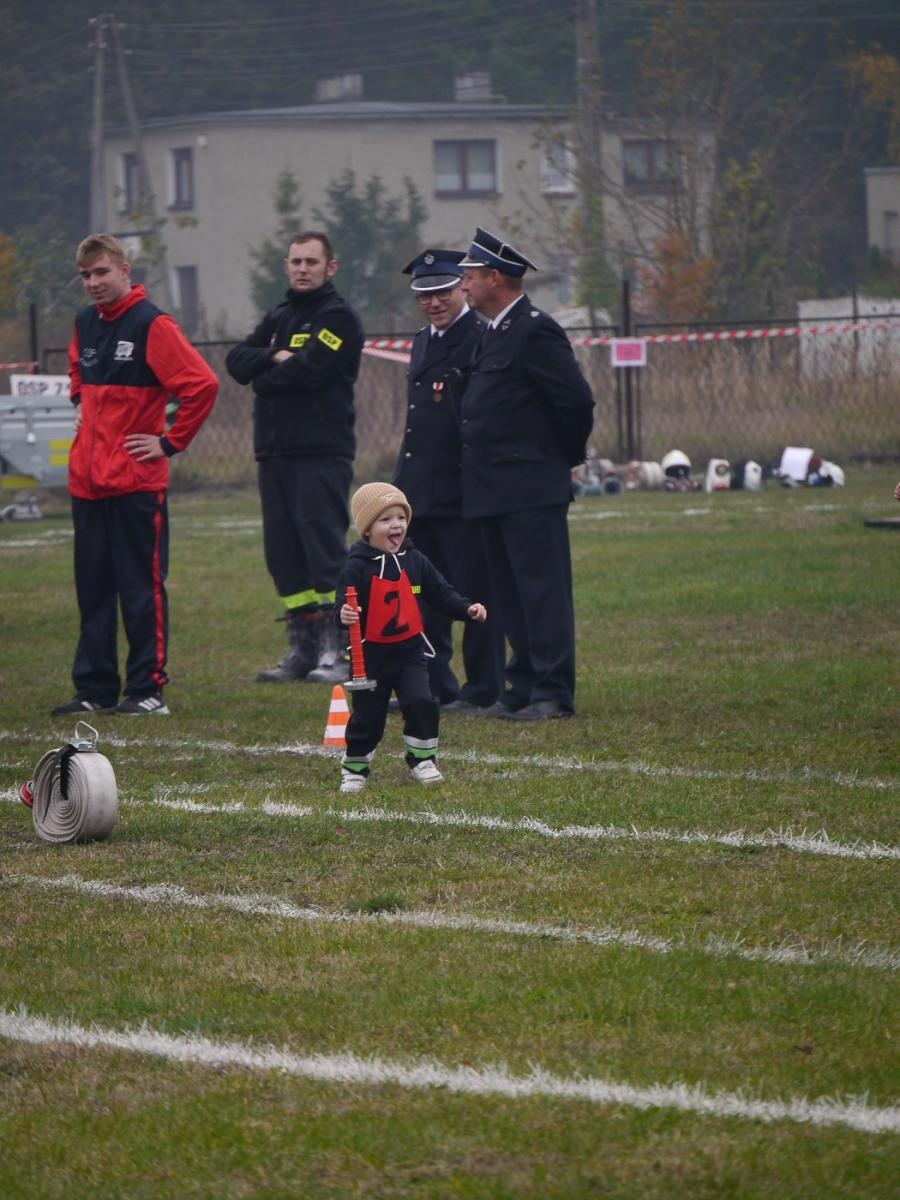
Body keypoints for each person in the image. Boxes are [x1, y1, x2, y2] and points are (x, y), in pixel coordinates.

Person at [52, 233, 218, 717]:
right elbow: (76, 372)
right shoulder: (85, 322)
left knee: (140, 590)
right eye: (85, 275)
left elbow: (201, 385)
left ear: (125, 271)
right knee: (94, 593)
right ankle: (95, 689)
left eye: (102, 272)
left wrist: (168, 442)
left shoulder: (151, 324)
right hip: (87, 485)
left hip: (136, 485)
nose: (93, 282)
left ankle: (147, 689)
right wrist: (79, 400)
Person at [458, 227, 595, 720]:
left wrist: (557, 458)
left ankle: (552, 690)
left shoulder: (535, 330)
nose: (464, 285)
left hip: (530, 487)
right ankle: (523, 684)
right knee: (510, 594)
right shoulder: (493, 332)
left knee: (541, 591)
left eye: (470, 276)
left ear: (495, 278)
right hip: (492, 488)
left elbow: (575, 401)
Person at [225, 231, 364, 685]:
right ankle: (304, 648)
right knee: (283, 556)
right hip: (274, 453)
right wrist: (274, 356)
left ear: (330, 267)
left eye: (311, 261)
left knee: (325, 553)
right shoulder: (279, 316)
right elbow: (236, 361)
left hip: (320, 452)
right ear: (286, 266)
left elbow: (308, 371)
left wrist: (264, 375)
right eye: (296, 261)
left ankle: (342, 649)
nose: (303, 269)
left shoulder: (338, 318)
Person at [392, 248, 503, 711]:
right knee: (422, 593)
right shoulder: (423, 340)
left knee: (473, 593)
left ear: (462, 288)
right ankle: (437, 683)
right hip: (421, 493)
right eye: (425, 296)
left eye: (442, 293)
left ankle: (484, 688)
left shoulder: (479, 337)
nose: (434, 303)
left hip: (462, 493)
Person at [335, 482, 487, 794]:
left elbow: (439, 593)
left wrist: (466, 608)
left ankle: (422, 760)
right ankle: (355, 769)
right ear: (367, 529)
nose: (396, 525)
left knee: (421, 702)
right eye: (385, 519)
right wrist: (344, 614)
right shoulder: (356, 567)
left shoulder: (415, 560)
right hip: (370, 660)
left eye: (401, 517)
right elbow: (341, 607)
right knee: (367, 717)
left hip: (410, 653)